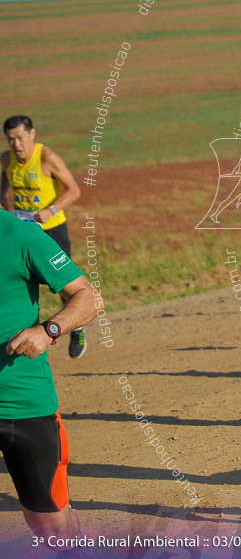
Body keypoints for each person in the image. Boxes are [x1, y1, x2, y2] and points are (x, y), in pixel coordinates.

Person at [1, 209, 101, 543]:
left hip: (22, 401)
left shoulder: (22, 236)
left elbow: (88, 297)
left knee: (52, 528)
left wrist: (49, 330)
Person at [1, 116, 86, 359]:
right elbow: (3, 183)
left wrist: (52, 210)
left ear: (32, 134)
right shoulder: (7, 160)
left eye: (20, 138)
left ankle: (76, 325)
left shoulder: (48, 158)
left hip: (51, 229)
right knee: (17, 278)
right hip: (21, 229)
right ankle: (21, 329)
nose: (16, 144)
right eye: (10, 139)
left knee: (62, 283)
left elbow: (74, 190)